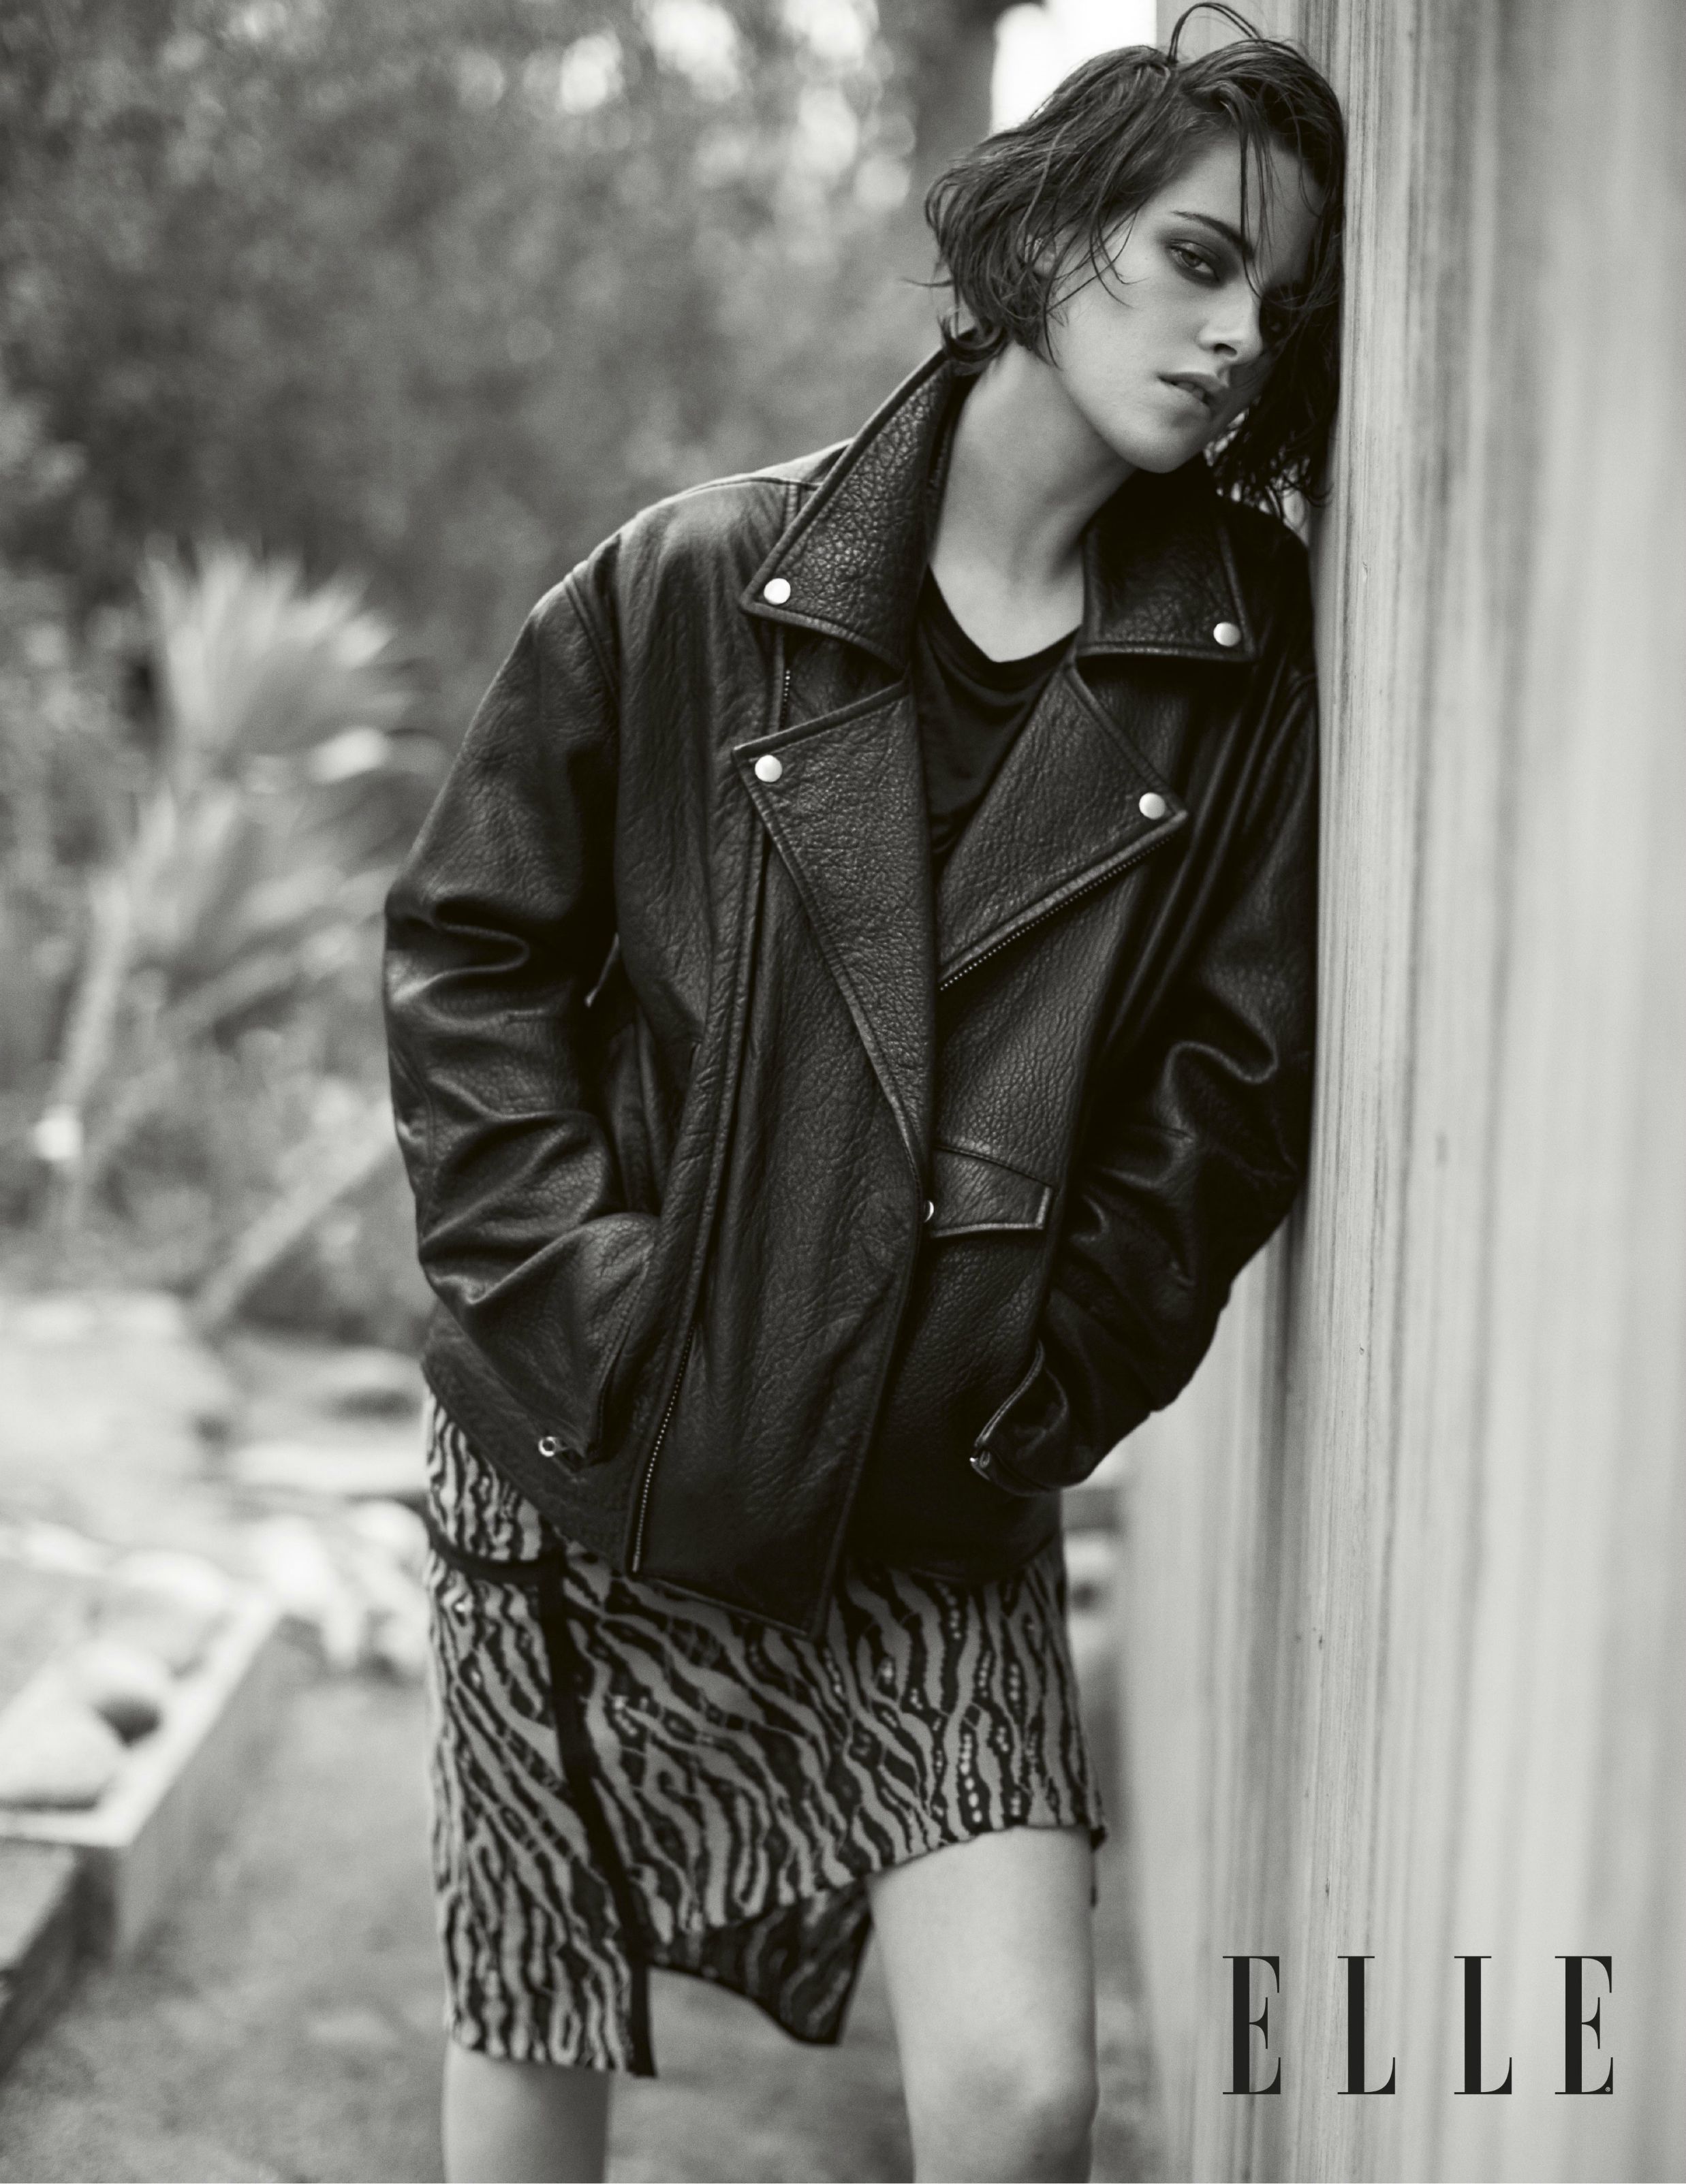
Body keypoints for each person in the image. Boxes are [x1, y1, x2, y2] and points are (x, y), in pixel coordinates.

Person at [383, 12, 1343, 2179]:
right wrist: (595, 1307)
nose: (1233, 337)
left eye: (1276, 304)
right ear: (1046, 239)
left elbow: (1231, 1078)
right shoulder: (689, 582)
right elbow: (471, 952)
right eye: (1195, 260)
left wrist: (1043, 1379)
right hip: (597, 1446)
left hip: (937, 1473)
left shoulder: (1239, 664)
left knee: (1018, 2093)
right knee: (535, 2009)